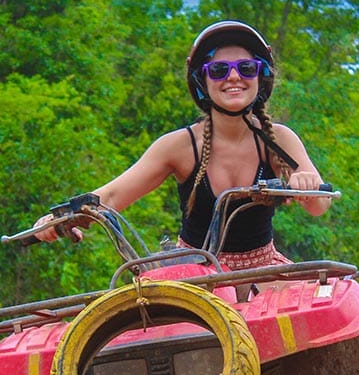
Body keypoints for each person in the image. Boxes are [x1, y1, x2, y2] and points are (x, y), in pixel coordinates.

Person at [34, 20, 330, 270]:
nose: (234, 77)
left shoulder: (278, 139)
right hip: (193, 273)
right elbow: (111, 195)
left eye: (246, 68)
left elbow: (319, 206)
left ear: (260, 76)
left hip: (263, 272)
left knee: (324, 308)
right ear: (202, 80)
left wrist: (307, 184)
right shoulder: (180, 146)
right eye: (219, 70)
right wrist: (60, 218)